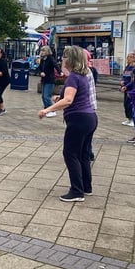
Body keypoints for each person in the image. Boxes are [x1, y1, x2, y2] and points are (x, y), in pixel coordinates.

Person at [38, 46, 98, 202]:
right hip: (90, 117)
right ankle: (86, 187)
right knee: (83, 153)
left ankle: (77, 191)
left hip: (79, 119)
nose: (62, 60)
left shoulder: (73, 77)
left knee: (70, 153)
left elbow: (69, 100)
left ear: (70, 59)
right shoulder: (83, 75)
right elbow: (75, 95)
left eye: (64, 57)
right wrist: (60, 97)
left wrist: (47, 109)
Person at [39, 45, 58, 117]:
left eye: (43, 51)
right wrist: (41, 72)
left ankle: (52, 110)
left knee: (47, 96)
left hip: (50, 79)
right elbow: (40, 68)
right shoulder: (43, 59)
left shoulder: (50, 59)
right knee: (43, 96)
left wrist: (60, 72)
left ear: (47, 51)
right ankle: (46, 109)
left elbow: (55, 65)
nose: (42, 52)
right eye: (41, 51)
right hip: (44, 79)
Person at [120, 54, 135, 126]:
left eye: (129, 57)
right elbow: (124, 76)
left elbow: (132, 80)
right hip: (125, 88)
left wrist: (127, 85)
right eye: (127, 57)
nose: (128, 59)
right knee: (125, 104)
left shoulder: (134, 68)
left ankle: (132, 119)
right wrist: (122, 81)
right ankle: (128, 118)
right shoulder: (127, 67)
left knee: (130, 104)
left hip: (131, 88)